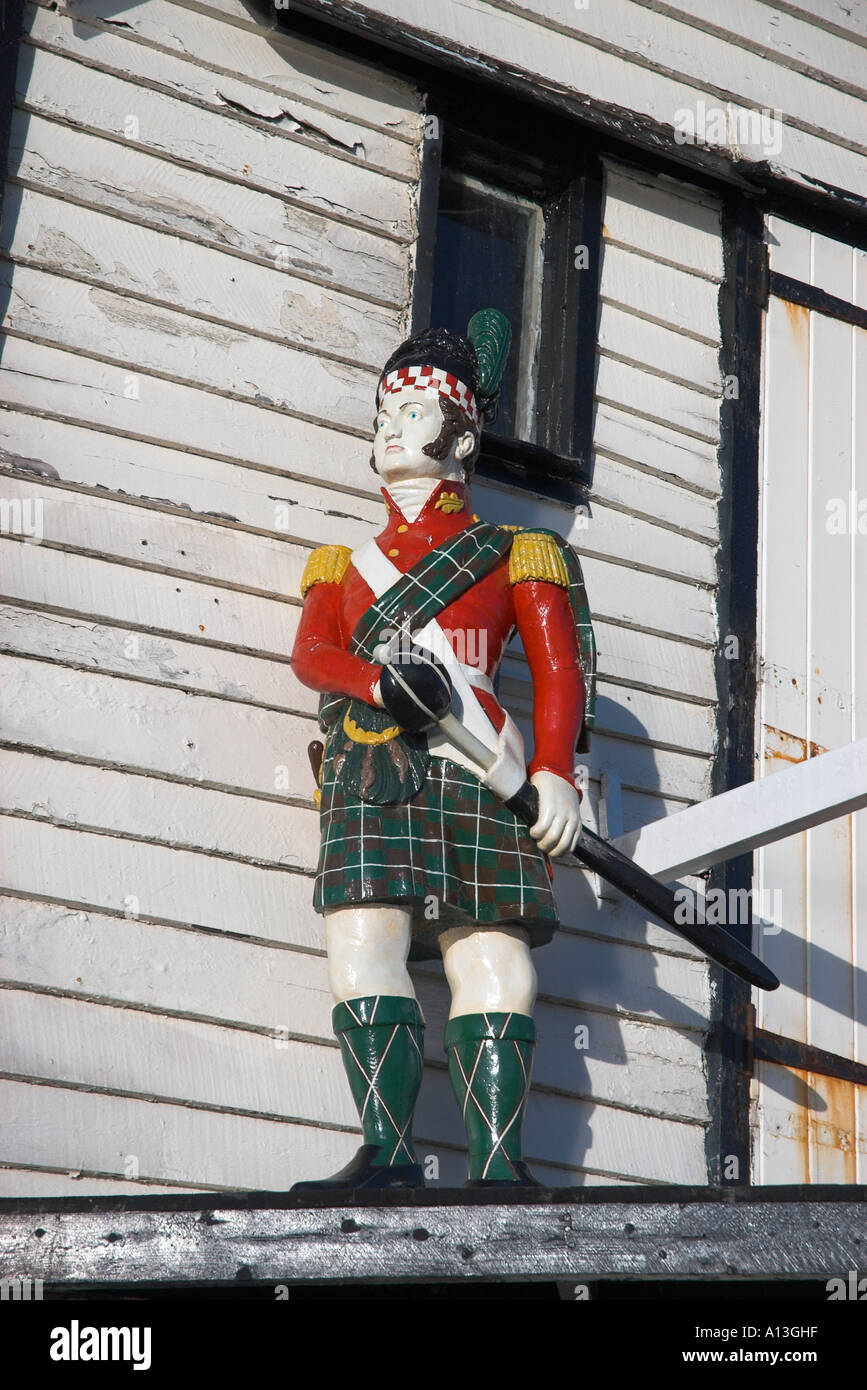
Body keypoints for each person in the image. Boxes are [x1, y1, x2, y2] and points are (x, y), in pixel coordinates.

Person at [289, 312, 595, 1189]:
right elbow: (312, 657)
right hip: (370, 758)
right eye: (382, 411)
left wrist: (552, 775)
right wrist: (378, 684)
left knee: (489, 950)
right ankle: (386, 1155)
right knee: (359, 941)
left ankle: (497, 1170)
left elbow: (557, 672)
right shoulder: (339, 567)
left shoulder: (516, 551)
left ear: (461, 434)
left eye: (412, 409)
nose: (389, 424)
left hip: (478, 766)